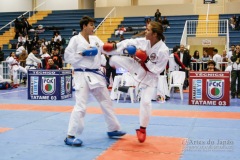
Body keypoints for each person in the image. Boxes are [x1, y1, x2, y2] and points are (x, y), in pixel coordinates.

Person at [63, 16, 126, 147]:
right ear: (84, 26)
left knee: (106, 101)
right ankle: (70, 135)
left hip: (96, 75)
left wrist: (123, 48)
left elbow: (105, 48)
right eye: (91, 25)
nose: (93, 27)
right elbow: (67, 57)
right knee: (80, 105)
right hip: (82, 74)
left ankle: (112, 129)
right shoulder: (75, 40)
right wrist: (82, 54)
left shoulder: (95, 39)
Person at [102, 21, 169, 143]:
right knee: (113, 59)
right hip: (136, 68)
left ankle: (142, 129)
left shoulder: (163, 50)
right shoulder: (144, 42)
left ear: (155, 34)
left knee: (146, 102)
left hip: (150, 77)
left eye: (148, 30)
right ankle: (107, 55)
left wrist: (145, 59)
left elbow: (157, 70)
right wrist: (114, 46)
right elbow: (128, 42)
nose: (146, 31)